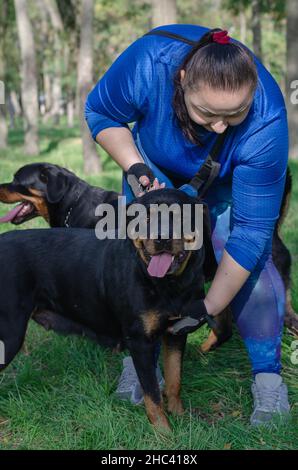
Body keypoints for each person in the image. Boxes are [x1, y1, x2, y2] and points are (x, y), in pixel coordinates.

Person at [85, 25, 290, 426]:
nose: (220, 127)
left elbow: (251, 233)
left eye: (235, 114)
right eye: (209, 113)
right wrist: (135, 166)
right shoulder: (149, 62)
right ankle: (139, 359)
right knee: (139, 256)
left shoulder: (268, 120)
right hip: (152, 170)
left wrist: (208, 305)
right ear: (181, 82)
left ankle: (268, 380)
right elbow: (101, 111)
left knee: (251, 255)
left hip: (229, 182)